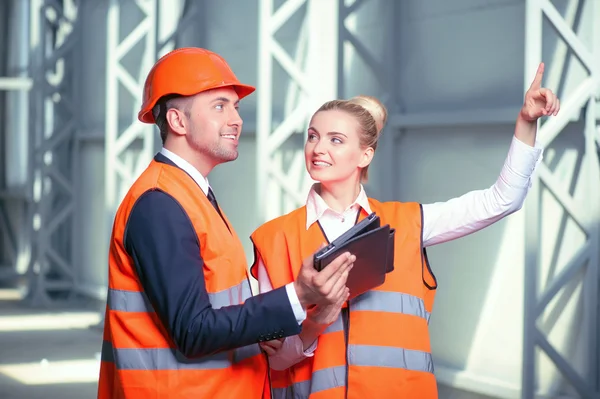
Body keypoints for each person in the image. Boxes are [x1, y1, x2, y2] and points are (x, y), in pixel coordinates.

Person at [249, 62, 559, 398]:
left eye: (335, 139)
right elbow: (276, 363)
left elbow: (502, 200)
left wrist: (526, 123)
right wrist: (317, 320)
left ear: (365, 155)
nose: (318, 148)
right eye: (313, 136)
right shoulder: (273, 239)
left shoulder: (411, 223)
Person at [97, 47, 356, 399]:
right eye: (220, 106)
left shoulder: (190, 195)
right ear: (178, 121)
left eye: (235, 107)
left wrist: (269, 327)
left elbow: (214, 307)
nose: (236, 119)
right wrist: (297, 295)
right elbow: (193, 331)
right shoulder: (160, 203)